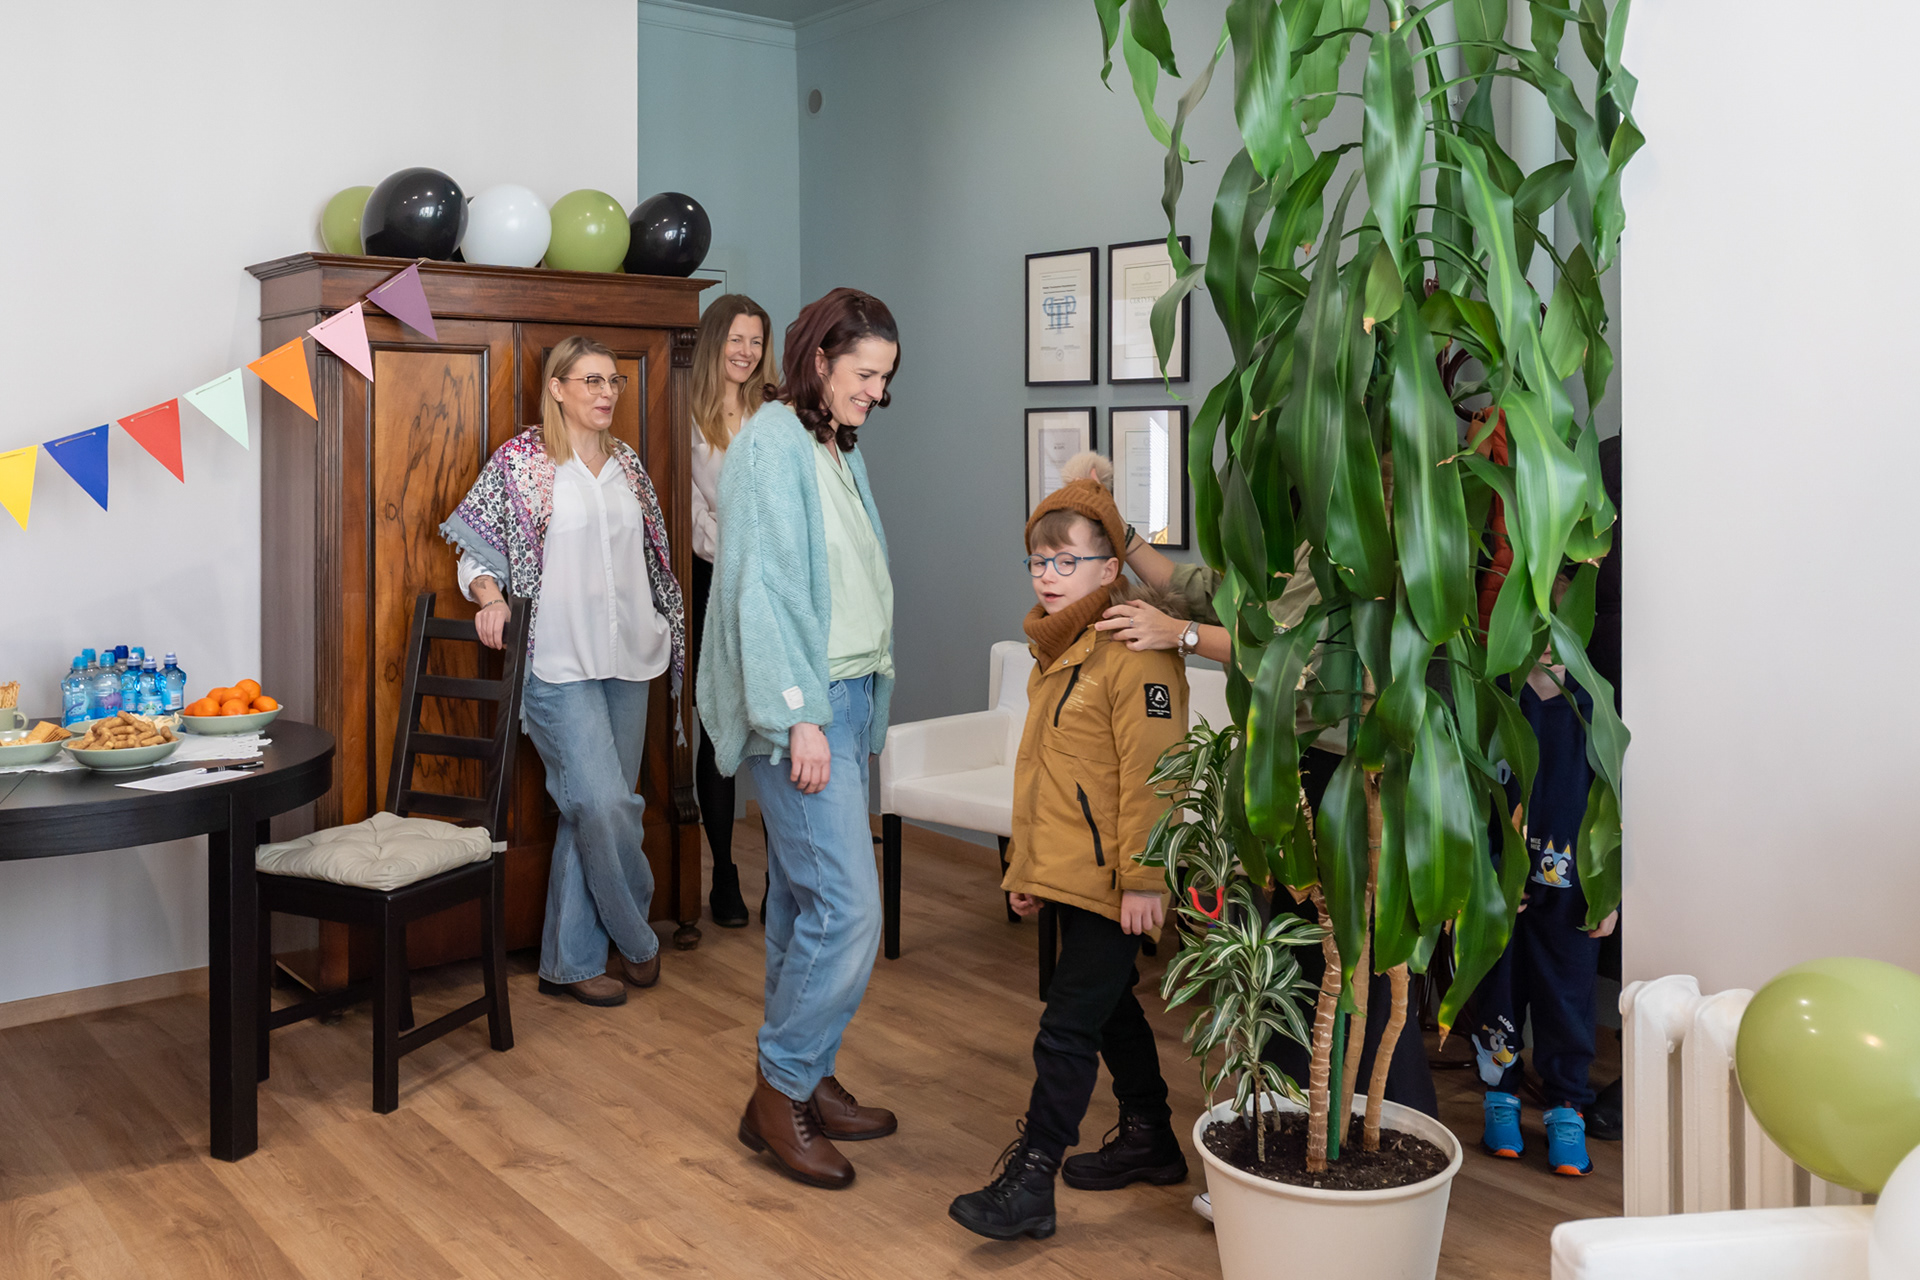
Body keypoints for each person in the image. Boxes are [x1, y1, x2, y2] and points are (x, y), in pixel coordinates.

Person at [698, 287, 901, 1191]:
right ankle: (779, 1091)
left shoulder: (834, 444)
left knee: (799, 906)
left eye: (885, 379)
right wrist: (798, 716)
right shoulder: (770, 444)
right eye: (865, 374)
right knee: (850, 910)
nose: (876, 393)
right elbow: (763, 590)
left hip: (846, 699)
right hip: (804, 710)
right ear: (819, 359)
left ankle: (808, 1077)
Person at [948, 478, 1187, 1243]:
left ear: (1109, 569)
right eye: (1037, 562)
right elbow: (1046, 777)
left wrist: (1145, 880)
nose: (1047, 576)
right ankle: (1151, 1134)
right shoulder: (1059, 651)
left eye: (1065, 562)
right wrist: (1026, 870)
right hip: (1073, 873)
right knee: (1107, 1004)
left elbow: (1157, 777)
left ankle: (1031, 1182)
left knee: (1066, 1024)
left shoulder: (1137, 656)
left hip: (1117, 880)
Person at [440, 336, 683, 1009]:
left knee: (590, 811)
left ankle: (569, 963)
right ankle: (637, 940)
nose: (606, 393)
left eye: (614, 382)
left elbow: (651, 555)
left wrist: (661, 620)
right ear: (557, 387)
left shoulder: (628, 464)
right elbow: (474, 550)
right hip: (556, 659)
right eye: (591, 381)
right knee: (603, 804)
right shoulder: (521, 463)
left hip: (630, 658)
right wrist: (490, 599)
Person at [1471, 633, 1619, 1178]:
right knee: (1497, 991)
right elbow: (1467, 798)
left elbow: (1617, 805)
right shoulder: (1491, 697)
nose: (1547, 641)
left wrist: (1608, 892)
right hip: (1500, 884)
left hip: (1574, 888)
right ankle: (1500, 1098)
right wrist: (1486, 874)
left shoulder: (1597, 703)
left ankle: (1567, 1107)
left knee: (1569, 998)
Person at [688, 293, 776, 929]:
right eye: (735, 339)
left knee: (774, 729)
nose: (745, 352)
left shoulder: (776, 415)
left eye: (756, 341)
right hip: (710, 582)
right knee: (719, 728)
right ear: (715, 342)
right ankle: (722, 871)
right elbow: (693, 514)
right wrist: (740, 538)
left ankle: (783, 877)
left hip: (772, 586)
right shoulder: (686, 416)